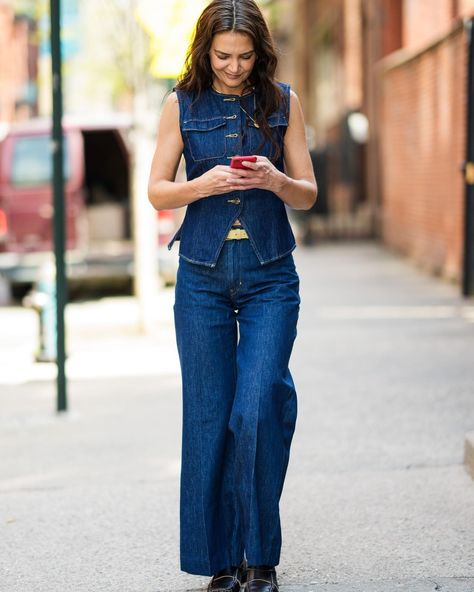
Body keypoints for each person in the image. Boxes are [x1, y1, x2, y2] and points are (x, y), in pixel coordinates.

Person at [148, 1, 317, 590]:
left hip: (271, 275)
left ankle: (259, 555)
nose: (234, 67)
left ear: (260, 53)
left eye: (245, 57)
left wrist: (274, 178)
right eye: (223, 56)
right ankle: (221, 561)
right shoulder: (179, 103)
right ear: (205, 51)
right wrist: (202, 184)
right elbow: (157, 192)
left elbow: (308, 194)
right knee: (208, 417)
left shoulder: (283, 102)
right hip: (202, 277)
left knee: (258, 407)